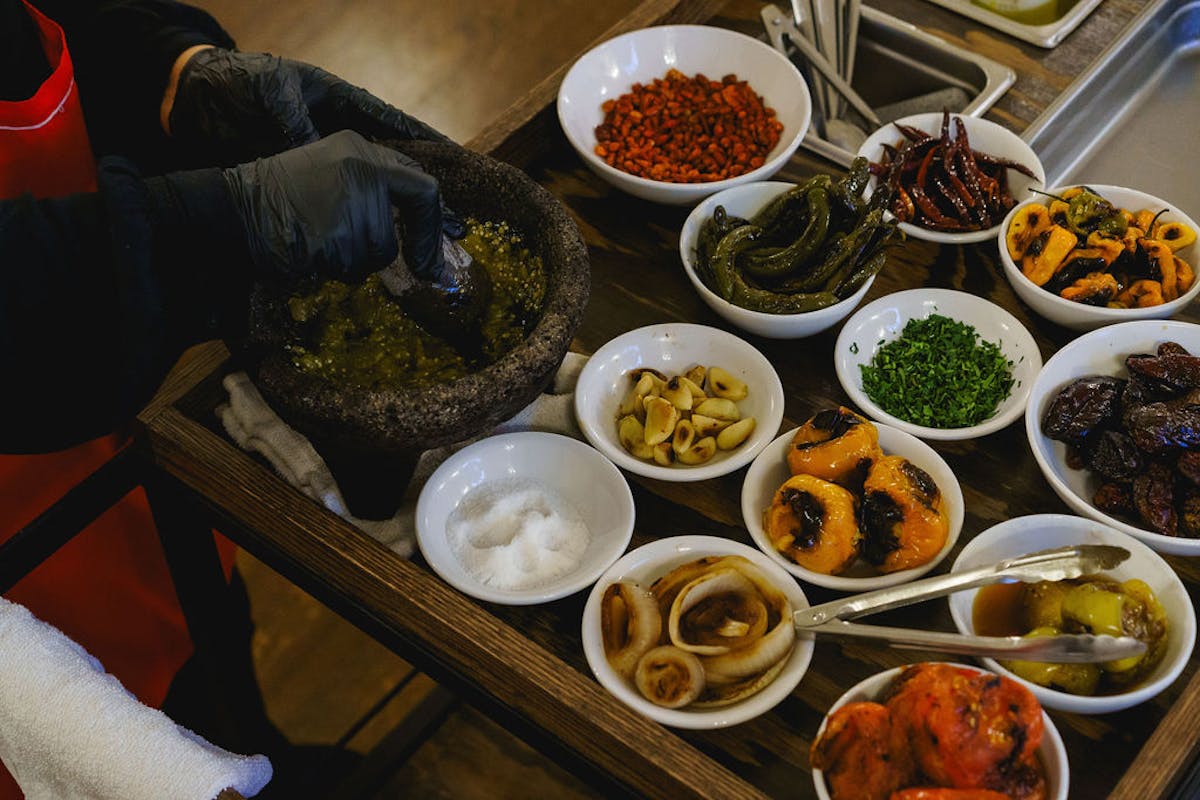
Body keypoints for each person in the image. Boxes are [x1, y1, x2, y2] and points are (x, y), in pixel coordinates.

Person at [0, 1, 452, 796]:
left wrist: (167, 70)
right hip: (21, 518)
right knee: (106, 745)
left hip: (108, 400)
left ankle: (255, 751)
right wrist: (200, 227)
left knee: (205, 641)